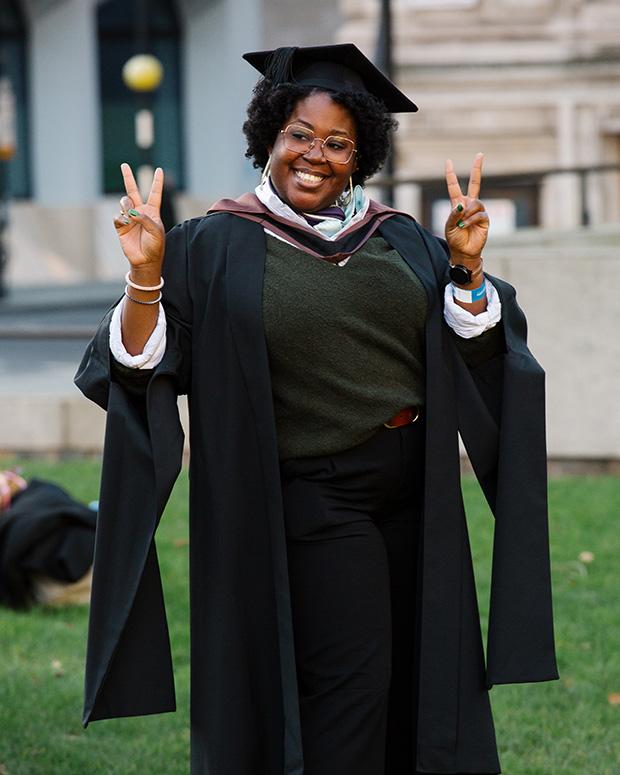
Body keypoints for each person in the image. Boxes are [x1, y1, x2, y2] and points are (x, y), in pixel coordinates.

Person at [75, 44, 558, 775]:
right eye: (300, 134)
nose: (316, 156)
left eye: (339, 143)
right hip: (317, 495)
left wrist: (467, 267)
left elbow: (477, 336)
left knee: (417, 681)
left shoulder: (399, 235)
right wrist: (146, 278)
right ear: (269, 136)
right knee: (357, 682)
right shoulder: (213, 244)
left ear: (361, 154)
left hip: (416, 492)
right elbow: (139, 361)